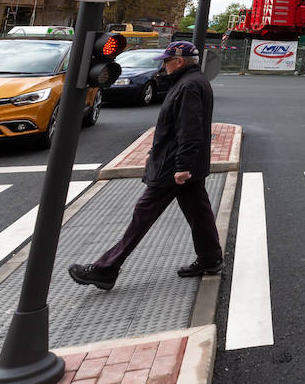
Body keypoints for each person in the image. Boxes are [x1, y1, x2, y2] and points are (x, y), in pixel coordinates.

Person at [69, 41, 223, 291]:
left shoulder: (189, 86)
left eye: (166, 61)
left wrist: (182, 165)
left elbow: (189, 128)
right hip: (180, 161)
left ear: (179, 61)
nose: (163, 66)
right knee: (198, 211)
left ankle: (105, 269)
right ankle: (210, 257)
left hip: (173, 166)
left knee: (143, 213)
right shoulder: (192, 81)